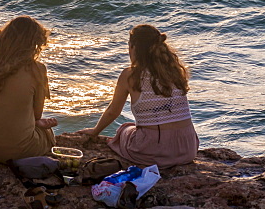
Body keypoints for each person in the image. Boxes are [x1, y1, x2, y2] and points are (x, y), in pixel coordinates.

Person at [80, 23, 198, 167]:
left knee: (124, 129)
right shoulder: (174, 72)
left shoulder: (130, 75)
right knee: (136, 127)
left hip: (154, 151)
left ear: (134, 47)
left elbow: (113, 112)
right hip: (188, 148)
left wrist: (94, 132)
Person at [0, 15, 58, 162]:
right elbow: (37, 114)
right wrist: (37, 123)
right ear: (34, 44)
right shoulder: (37, 69)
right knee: (48, 134)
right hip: (17, 149)